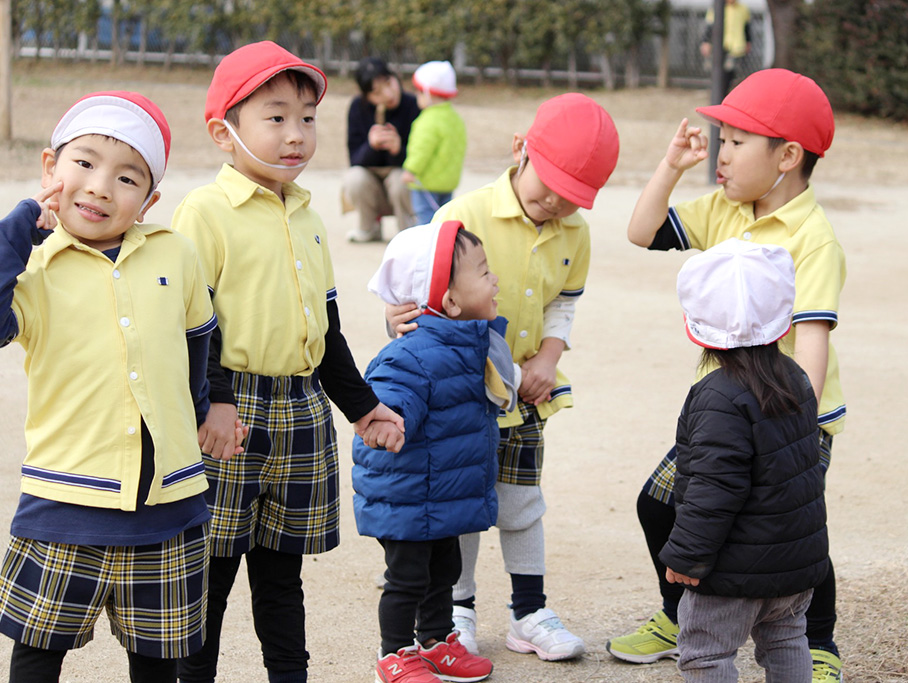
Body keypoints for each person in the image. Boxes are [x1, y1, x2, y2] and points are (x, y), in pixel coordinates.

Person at [172, 42, 404, 683]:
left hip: (300, 411)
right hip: (227, 413)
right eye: (275, 118)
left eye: (307, 118)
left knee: (282, 579)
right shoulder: (204, 213)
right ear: (225, 132)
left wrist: (363, 407)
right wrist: (212, 398)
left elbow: (325, 329)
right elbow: (190, 323)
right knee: (208, 581)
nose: (296, 135)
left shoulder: (308, 216)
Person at [606, 68, 846, 682]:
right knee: (662, 504)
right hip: (728, 407)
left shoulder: (813, 239)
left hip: (795, 412)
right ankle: (680, 613)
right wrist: (670, 168)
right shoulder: (722, 209)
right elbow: (642, 232)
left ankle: (817, 642)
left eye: (737, 143)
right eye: (722, 139)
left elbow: (812, 342)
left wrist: (799, 427)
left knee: (791, 524)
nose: (722, 155)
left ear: (788, 155)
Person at [0, 91, 229, 682]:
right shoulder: (35, 269)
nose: (99, 187)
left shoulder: (176, 254)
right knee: (37, 656)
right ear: (50, 169)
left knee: (157, 663)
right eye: (84, 163)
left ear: (149, 200)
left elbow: (201, 341)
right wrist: (18, 227)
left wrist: (209, 407)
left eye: (126, 178)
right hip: (64, 500)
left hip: (167, 504)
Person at [387, 93, 620, 663]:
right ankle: (458, 611)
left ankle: (529, 611)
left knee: (520, 502)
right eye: (548, 189)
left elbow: (564, 303)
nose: (556, 205)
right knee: (461, 502)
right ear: (520, 149)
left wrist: (546, 358)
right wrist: (393, 317)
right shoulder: (459, 217)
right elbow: (417, 302)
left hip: (526, 398)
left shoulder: (575, 234)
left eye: (571, 200)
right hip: (461, 396)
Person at [354, 220, 520, 683]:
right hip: (409, 495)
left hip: (442, 491)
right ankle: (395, 654)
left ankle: (436, 640)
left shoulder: (473, 344)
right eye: (484, 273)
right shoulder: (415, 352)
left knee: (444, 570)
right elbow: (390, 391)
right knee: (407, 578)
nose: (495, 281)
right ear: (449, 301)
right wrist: (389, 422)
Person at [664, 238, 829, 681]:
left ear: (699, 327)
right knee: (786, 640)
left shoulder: (716, 395)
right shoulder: (796, 377)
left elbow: (714, 489)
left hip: (734, 570)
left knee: (706, 655)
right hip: (793, 564)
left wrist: (686, 556)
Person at [342, 57, 421, 242]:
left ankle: (407, 232)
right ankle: (369, 228)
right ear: (366, 96)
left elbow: (422, 159)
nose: (388, 94)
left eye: (388, 83)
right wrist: (371, 146)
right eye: (377, 92)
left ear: (396, 77)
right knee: (354, 177)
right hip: (372, 185)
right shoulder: (357, 108)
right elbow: (354, 160)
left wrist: (398, 150)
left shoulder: (414, 105)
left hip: (401, 184)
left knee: (400, 178)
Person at [402, 61, 468, 225]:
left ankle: (427, 249)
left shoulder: (427, 120)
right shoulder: (455, 119)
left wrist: (411, 170)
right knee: (444, 219)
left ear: (428, 93)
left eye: (419, 92)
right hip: (448, 183)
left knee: (425, 219)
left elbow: (421, 149)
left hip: (425, 183)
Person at [699, 0, 752, 94]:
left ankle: (725, 95)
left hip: (736, 47)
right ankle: (720, 95)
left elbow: (747, 27)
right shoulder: (716, 8)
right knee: (718, 74)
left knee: (730, 75)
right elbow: (709, 27)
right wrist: (705, 41)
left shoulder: (743, 9)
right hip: (719, 46)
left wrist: (748, 41)